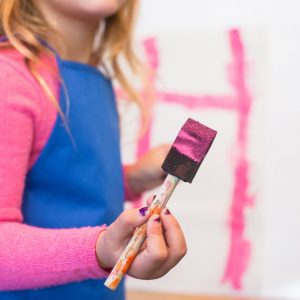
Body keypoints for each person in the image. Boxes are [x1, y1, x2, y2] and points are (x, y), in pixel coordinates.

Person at [0, 1, 187, 300]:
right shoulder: (9, 78)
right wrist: (100, 248)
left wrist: (132, 179)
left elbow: (63, 185)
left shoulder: (97, 82)